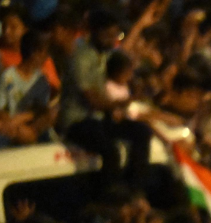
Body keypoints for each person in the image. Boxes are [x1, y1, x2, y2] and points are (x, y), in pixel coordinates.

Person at [59, 9, 151, 187]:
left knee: (142, 132)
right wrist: (126, 101)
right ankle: (109, 198)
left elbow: (125, 62)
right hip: (77, 121)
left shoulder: (107, 53)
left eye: (114, 35)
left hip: (99, 119)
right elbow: (92, 101)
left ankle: (136, 190)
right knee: (110, 151)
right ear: (94, 31)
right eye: (107, 35)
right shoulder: (81, 57)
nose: (112, 39)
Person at [0, 30, 56, 149]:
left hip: (35, 130)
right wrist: (12, 125)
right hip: (12, 132)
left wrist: (20, 120)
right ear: (34, 53)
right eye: (44, 53)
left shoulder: (41, 80)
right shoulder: (8, 77)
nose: (46, 57)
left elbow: (41, 111)